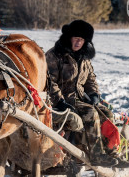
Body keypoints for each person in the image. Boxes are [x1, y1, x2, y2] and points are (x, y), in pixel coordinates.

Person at [46, 19, 117, 167]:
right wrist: (59, 101)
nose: (79, 42)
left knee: (107, 114)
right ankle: (96, 156)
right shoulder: (55, 55)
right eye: (76, 39)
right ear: (69, 38)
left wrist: (94, 95)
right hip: (61, 99)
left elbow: (90, 78)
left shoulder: (84, 58)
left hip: (80, 97)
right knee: (90, 113)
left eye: (82, 40)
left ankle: (109, 151)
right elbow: (49, 82)